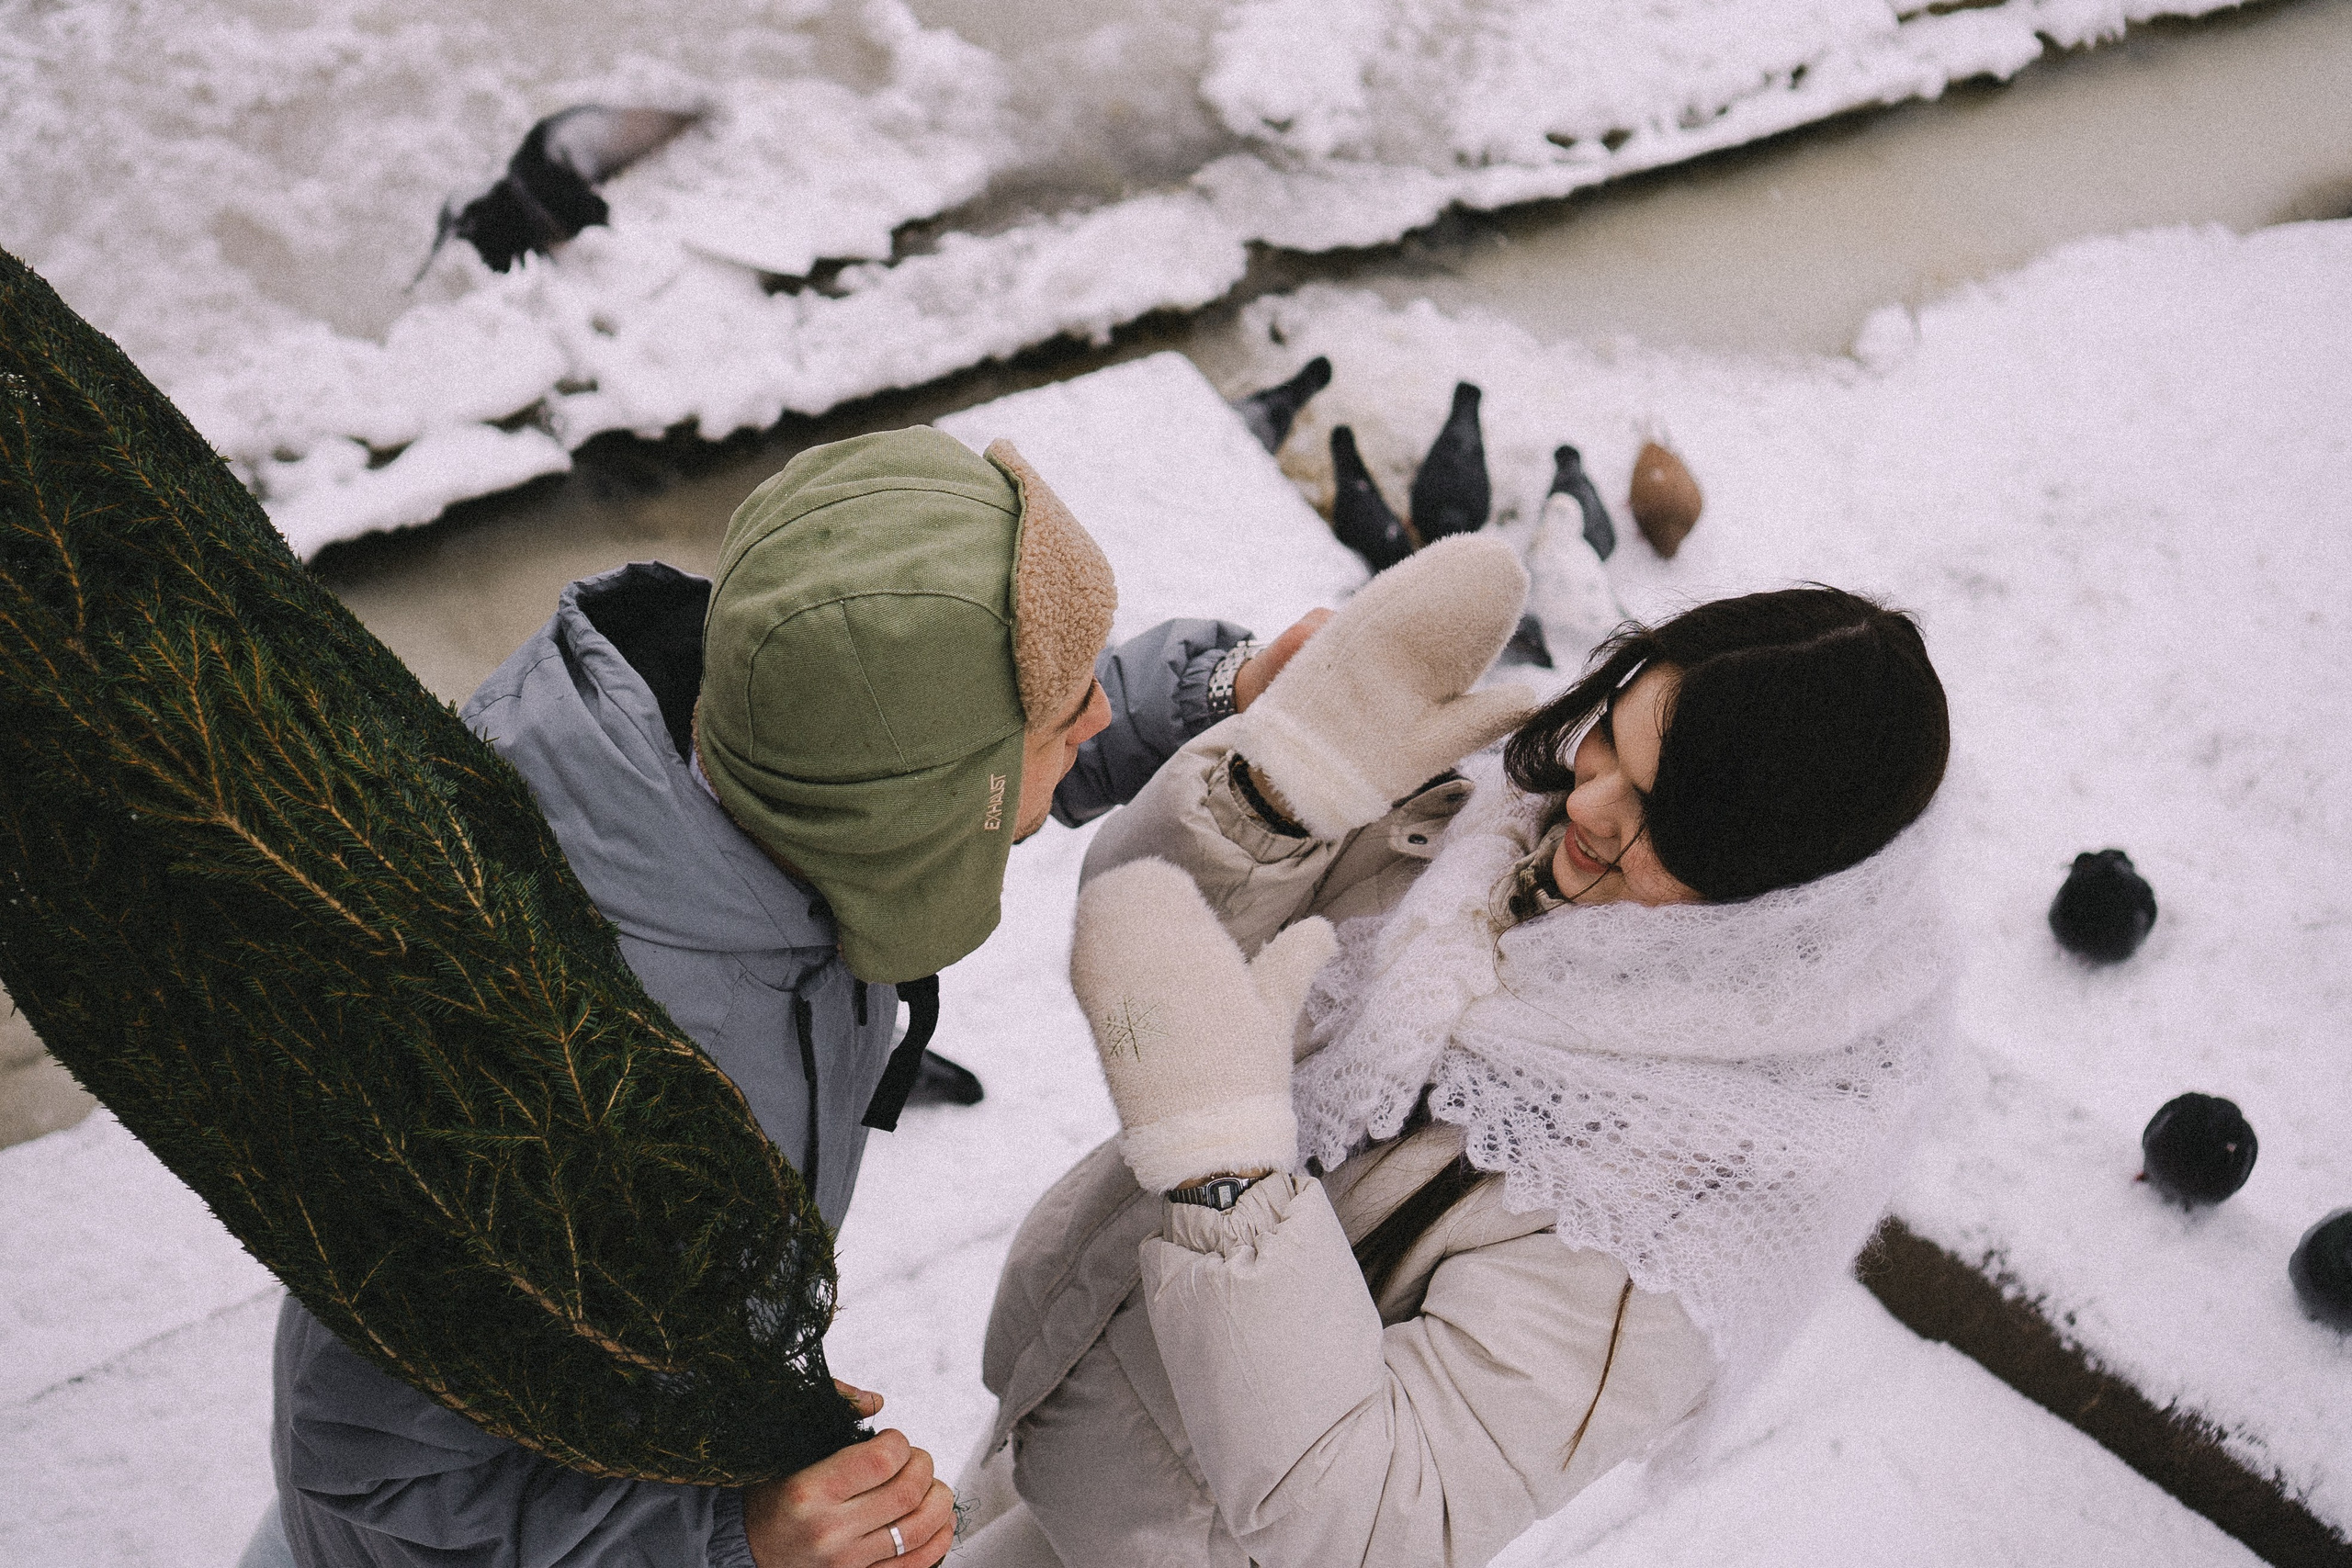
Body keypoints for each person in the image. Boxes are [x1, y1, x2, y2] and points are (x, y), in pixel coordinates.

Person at [254, 427, 1323, 1568]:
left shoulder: (761, 737)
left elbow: (960, 718)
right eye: (1070, 715)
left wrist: (1218, 693)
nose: (1096, 718)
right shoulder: (545, 1081)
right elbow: (366, 1462)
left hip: (660, 1415)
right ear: (918, 807)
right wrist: (731, 1538)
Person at [958, 536, 1954, 1567]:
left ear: (1773, 893)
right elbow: (1147, 940)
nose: (1586, 801)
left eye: (1664, 815)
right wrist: (1278, 785)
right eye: (1611, 739)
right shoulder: (1487, 835)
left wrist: (1230, 1182)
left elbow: (1379, 1517)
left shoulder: (1678, 1202)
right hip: (1066, 1388)